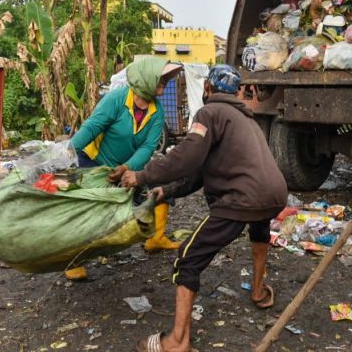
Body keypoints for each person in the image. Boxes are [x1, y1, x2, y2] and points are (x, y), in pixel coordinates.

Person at [122, 64, 288, 352]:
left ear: (208, 89)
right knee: (259, 229)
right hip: (273, 195)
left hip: (242, 198)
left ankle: (177, 342)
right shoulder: (246, 119)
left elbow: (185, 158)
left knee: (187, 258)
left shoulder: (209, 113)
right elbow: (198, 174)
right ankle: (259, 292)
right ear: (237, 92)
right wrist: (167, 191)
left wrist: (142, 176)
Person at [70, 56, 183, 253]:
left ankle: (156, 238)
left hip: (126, 166)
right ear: (146, 78)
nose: (165, 81)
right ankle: (74, 257)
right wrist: (67, 153)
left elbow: (148, 148)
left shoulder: (157, 111)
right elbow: (91, 128)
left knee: (162, 185)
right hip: (94, 162)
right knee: (86, 207)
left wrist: (127, 167)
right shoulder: (117, 99)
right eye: (161, 77)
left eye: (166, 78)